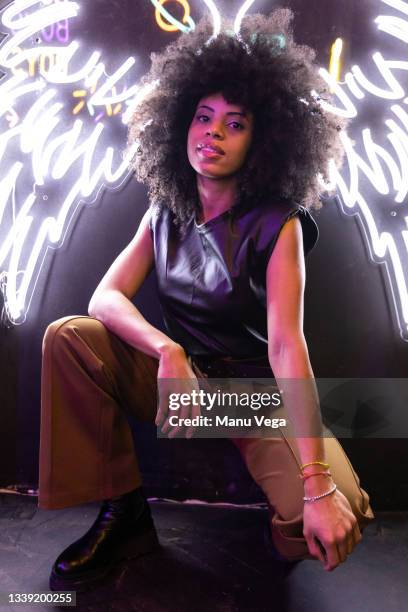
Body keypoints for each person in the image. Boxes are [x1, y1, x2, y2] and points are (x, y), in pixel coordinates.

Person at [38, 10, 374, 592]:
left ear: (263, 140)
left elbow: (288, 347)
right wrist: (167, 352)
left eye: (235, 123)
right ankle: (124, 515)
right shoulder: (165, 210)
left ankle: (283, 519)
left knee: (328, 513)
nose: (212, 133)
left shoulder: (280, 224)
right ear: (180, 124)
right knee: (70, 336)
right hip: (181, 388)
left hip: (247, 399)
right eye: (203, 117)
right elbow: (105, 298)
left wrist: (316, 483)